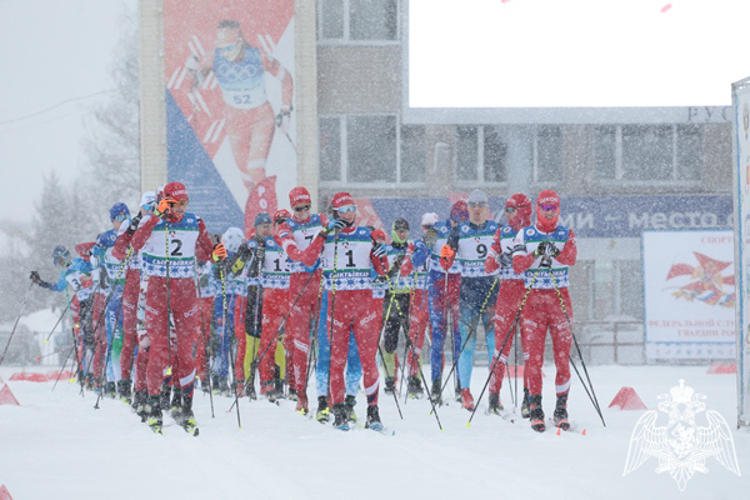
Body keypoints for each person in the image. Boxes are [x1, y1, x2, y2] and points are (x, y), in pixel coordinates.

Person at [130, 182, 225, 434]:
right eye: (176, 204)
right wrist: (156, 217)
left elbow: (206, 254)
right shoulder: (150, 221)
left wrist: (218, 254)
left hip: (185, 293)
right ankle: (153, 407)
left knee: (185, 352)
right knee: (158, 351)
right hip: (157, 292)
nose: (181, 209)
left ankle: (185, 407)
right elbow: (135, 244)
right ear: (165, 201)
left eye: (185, 204)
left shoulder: (195, 222)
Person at [187, 19, 295, 229]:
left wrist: (285, 110)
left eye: (230, 48)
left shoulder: (258, 56)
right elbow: (192, 86)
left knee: (256, 169)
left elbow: (286, 77)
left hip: (260, 118)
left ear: (240, 42)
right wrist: (191, 71)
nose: (227, 54)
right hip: (235, 123)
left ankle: (273, 225)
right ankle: (258, 225)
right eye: (222, 48)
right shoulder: (213, 58)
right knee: (247, 178)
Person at [297, 192, 387, 431]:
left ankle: (373, 411)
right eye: (343, 209)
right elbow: (307, 260)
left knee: (368, 360)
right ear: (335, 213)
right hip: (336, 305)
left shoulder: (367, 234)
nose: (348, 213)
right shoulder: (325, 236)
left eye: (351, 208)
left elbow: (382, 272)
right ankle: (338, 410)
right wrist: (325, 232)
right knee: (337, 360)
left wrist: (381, 257)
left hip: (363, 306)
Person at [512, 190, 578, 432]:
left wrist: (556, 252)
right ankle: (536, 407)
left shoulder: (565, 232)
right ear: (538, 209)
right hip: (533, 302)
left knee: (562, 358)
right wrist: (536, 253)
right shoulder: (526, 234)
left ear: (558, 210)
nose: (549, 213)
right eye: (545, 208)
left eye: (553, 209)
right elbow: (517, 266)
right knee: (534, 360)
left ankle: (561, 408)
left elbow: (572, 258)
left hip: (559, 300)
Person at [441, 190, 499, 411]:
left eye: (481, 205)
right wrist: (447, 251)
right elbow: (446, 261)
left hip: (492, 290)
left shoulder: (496, 229)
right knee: (467, 344)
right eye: (473, 205)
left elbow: (508, 253)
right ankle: (465, 391)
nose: (476, 209)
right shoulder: (458, 231)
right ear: (468, 208)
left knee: (495, 345)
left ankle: (495, 392)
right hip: (469, 292)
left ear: (486, 207)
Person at [276, 186, 329, 414]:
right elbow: (300, 257)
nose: (304, 213)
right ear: (292, 209)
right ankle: (301, 395)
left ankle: (327, 394)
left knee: (325, 341)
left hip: (322, 283)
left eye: (307, 207)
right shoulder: (286, 228)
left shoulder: (322, 220)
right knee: (301, 344)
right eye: (298, 209)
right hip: (299, 286)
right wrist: (320, 242)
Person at [484, 193, 533, 415]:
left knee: (531, 351)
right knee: (500, 348)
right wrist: (498, 259)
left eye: (511, 209)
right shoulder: (501, 232)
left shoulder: (535, 232)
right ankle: (494, 398)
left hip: (531, 293)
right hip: (507, 294)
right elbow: (488, 266)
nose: (507, 214)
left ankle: (529, 399)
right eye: (506, 209)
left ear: (523, 210)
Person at [30, 245, 95, 387]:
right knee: (83, 337)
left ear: (66, 256)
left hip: (95, 299)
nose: (61, 263)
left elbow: (94, 267)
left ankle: (95, 372)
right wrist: (41, 283)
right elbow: (59, 287)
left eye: (61, 259)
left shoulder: (79, 262)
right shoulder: (64, 274)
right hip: (82, 304)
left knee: (92, 337)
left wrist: (92, 256)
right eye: (58, 261)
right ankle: (85, 372)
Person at [113, 193, 156, 404]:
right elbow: (118, 252)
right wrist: (131, 230)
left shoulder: (159, 224)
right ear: (141, 208)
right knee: (130, 336)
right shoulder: (131, 225)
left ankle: (150, 383)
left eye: (154, 206)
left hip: (153, 284)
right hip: (133, 286)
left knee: (151, 338)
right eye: (147, 207)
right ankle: (124, 382)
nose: (151, 210)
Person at [89, 203, 132, 398]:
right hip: (113, 291)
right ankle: (112, 381)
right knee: (115, 338)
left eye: (125, 217)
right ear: (112, 220)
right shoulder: (105, 237)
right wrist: (99, 277)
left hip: (131, 290)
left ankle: (130, 380)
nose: (122, 221)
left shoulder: (135, 233)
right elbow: (94, 259)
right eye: (118, 218)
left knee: (133, 338)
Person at [426, 201, 466, 404]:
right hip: (437, 286)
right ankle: (435, 385)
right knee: (438, 337)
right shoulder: (435, 229)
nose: (458, 224)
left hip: (458, 285)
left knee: (459, 337)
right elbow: (421, 252)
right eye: (455, 219)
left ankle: (461, 385)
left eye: (462, 220)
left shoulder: (467, 231)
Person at [399, 212, 439, 398]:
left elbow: (450, 266)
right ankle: (413, 378)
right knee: (416, 340)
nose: (429, 231)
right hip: (419, 296)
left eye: (433, 227)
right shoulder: (415, 245)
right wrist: (422, 253)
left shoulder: (443, 244)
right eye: (426, 227)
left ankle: (437, 383)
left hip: (437, 295)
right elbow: (405, 270)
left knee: (437, 341)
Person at [380, 218, 411, 395]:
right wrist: (393, 269)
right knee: (390, 342)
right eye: (398, 230)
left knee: (411, 341)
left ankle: (414, 379)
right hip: (391, 297)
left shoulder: (411, 249)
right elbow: (381, 273)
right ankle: (390, 380)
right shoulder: (387, 250)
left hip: (408, 297)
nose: (402, 233)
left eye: (405, 230)